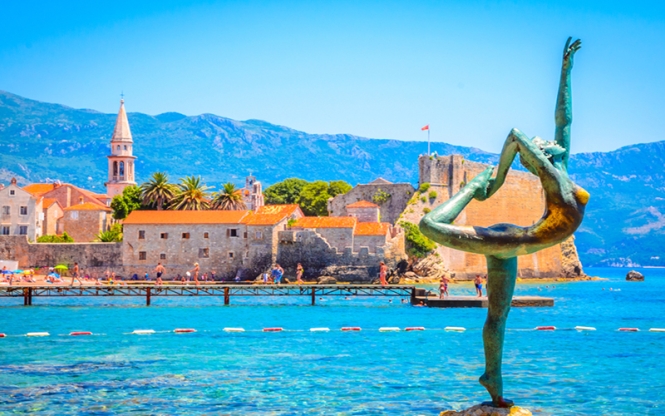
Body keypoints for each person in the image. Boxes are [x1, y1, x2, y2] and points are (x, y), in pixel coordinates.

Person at [418, 38, 585, 407]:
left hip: (513, 242)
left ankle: (492, 377)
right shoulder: (549, 175)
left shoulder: (560, 168)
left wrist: (566, 71)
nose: (552, 142)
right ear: (540, 154)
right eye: (544, 144)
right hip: (509, 241)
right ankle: (471, 188)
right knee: (429, 225)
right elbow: (515, 135)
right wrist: (492, 182)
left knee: (499, 315)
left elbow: (565, 119)